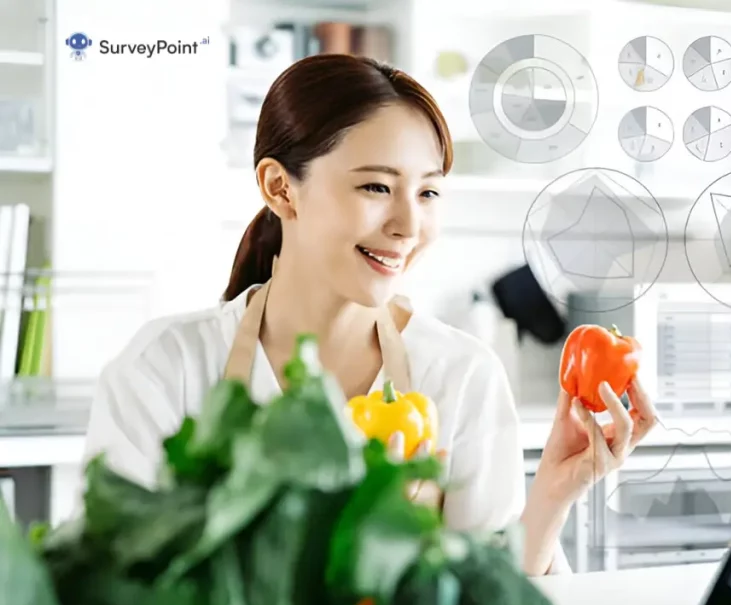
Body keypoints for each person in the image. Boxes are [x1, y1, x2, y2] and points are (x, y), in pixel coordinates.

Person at [81, 54, 657, 576]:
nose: (408, 225)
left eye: (428, 193)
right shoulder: (165, 369)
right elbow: (109, 596)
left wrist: (552, 494)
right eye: (377, 186)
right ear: (281, 188)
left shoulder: (460, 375)